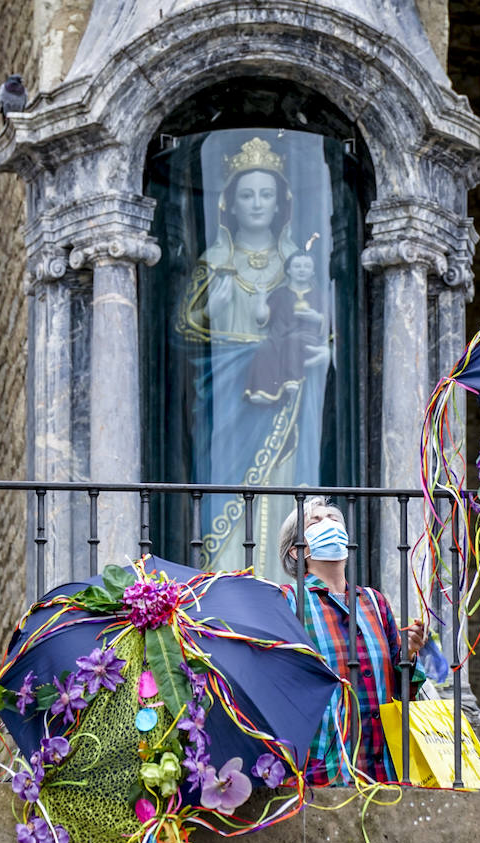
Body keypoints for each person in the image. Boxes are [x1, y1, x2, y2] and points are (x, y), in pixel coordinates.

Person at [176, 136, 329, 578]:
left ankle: (282, 580)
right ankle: (228, 576)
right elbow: (187, 334)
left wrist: (319, 353)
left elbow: (318, 328)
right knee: (229, 489)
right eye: (247, 194)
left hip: (284, 396)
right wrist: (216, 312)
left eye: (266, 194)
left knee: (281, 483)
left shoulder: (294, 265)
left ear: (281, 202)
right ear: (229, 204)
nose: (257, 203)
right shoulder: (216, 261)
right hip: (228, 397)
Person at [278, 497, 426, 784]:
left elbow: (403, 689)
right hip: (327, 772)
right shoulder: (290, 601)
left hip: (386, 770)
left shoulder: (374, 601)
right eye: (316, 522)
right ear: (297, 551)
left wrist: (407, 653)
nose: (329, 525)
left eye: (333, 520)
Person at [244, 250, 329, 405]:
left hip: (306, 337)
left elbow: (330, 321)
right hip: (279, 337)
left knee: (293, 341)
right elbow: (262, 318)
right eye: (297, 266)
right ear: (288, 270)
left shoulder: (320, 295)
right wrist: (261, 297)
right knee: (264, 348)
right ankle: (261, 390)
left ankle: (292, 379)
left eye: (306, 266)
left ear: (313, 271)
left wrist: (317, 318)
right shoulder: (279, 294)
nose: (302, 270)